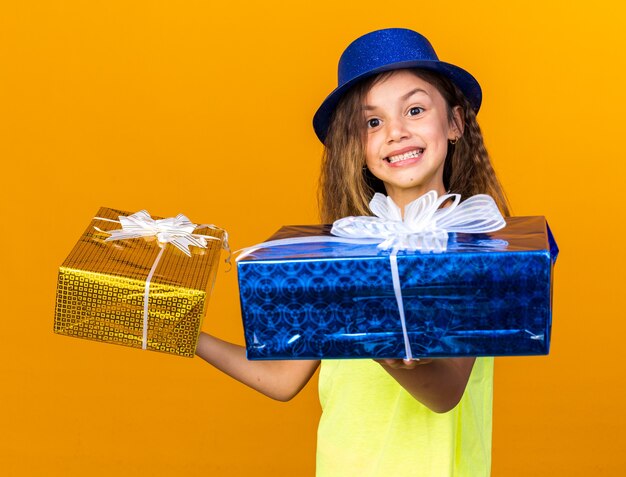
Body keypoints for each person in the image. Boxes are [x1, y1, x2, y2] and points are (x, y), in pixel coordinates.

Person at [196, 28, 509, 476]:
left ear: (455, 123)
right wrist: (183, 332)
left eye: (415, 110)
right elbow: (283, 380)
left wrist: (369, 329)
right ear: (355, 146)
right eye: (373, 122)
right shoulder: (343, 253)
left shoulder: (472, 244)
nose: (396, 133)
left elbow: (445, 394)